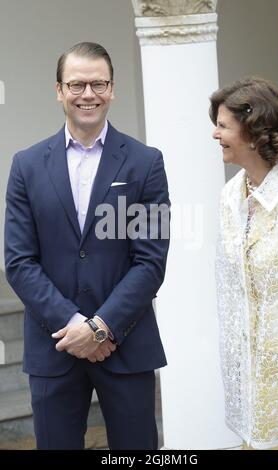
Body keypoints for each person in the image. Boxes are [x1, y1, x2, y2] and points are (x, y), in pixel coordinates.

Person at [4, 42, 170, 450]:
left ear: (112, 89)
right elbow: (19, 260)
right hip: (54, 344)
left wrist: (100, 327)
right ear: (59, 90)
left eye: (98, 83)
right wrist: (74, 325)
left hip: (126, 343)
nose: (88, 94)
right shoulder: (25, 165)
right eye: (77, 84)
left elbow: (151, 262)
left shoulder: (146, 162)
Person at [210, 77, 278, 450]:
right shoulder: (230, 196)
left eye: (223, 125)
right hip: (252, 381)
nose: (215, 134)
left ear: (253, 130)